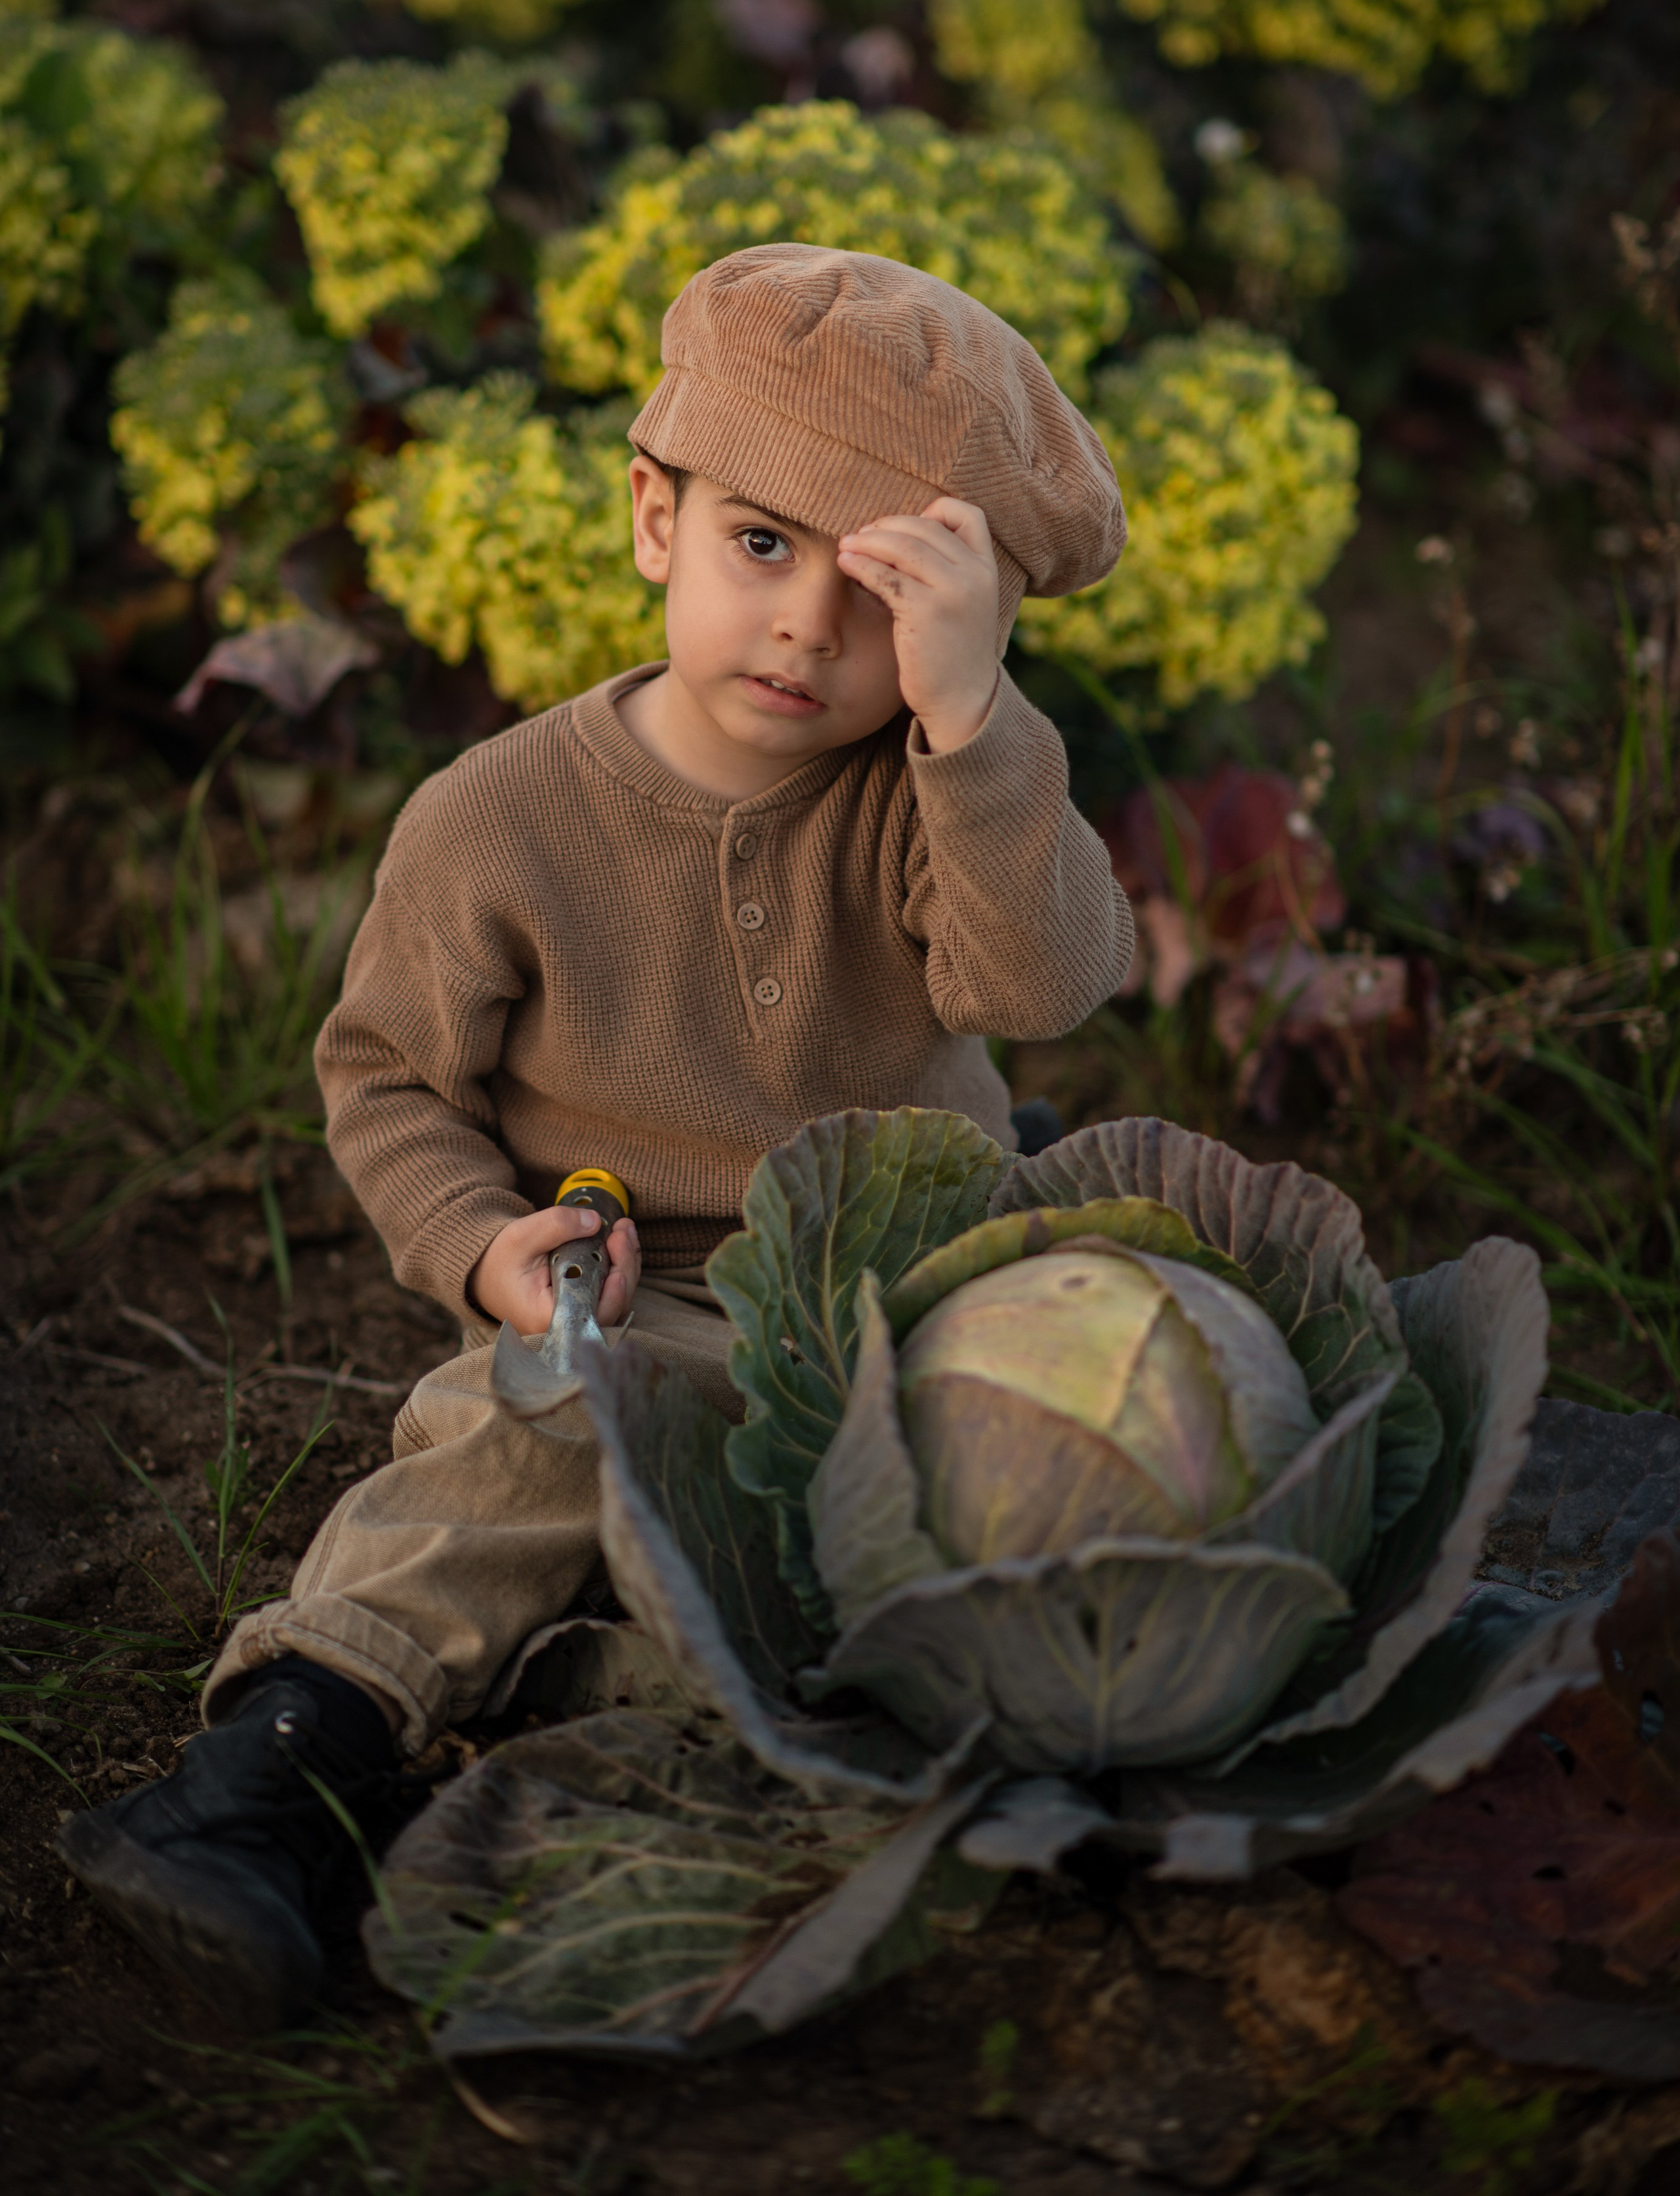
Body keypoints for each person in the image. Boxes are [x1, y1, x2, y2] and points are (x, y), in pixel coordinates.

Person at [59, 242, 1135, 2025]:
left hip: (894, 1289)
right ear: (657, 518)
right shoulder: (495, 822)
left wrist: (976, 720)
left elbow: (1042, 986)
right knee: (512, 1450)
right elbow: (390, 1079)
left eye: (885, 603)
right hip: (633, 1288)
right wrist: (485, 1246)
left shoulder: (934, 797)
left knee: (965, 1492)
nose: (807, 626)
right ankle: (287, 1760)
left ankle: (638, 1711)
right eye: (762, 547)